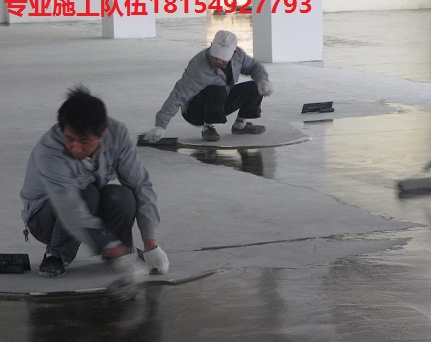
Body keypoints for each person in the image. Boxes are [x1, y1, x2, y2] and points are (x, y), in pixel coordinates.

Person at [20, 86, 169, 280]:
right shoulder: (49, 151)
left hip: (88, 204)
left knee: (122, 196)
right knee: (87, 193)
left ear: (103, 133)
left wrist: (151, 243)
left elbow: (140, 185)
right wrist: (107, 244)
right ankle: (56, 255)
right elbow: (69, 206)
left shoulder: (118, 135)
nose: (75, 147)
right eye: (69, 139)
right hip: (45, 218)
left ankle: (122, 251)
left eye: (84, 141)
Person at [142, 30, 273, 143]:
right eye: (215, 57)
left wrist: (262, 80)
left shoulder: (239, 55)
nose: (218, 61)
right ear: (211, 46)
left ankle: (240, 125)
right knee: (216, 89)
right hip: (195, 111)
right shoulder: (198, 67)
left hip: (220, 100)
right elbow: (178, 96)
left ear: (233, 53)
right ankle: (208, 127)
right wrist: (160, 125)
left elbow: (254, 66)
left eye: (223, 58)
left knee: (254, 87)